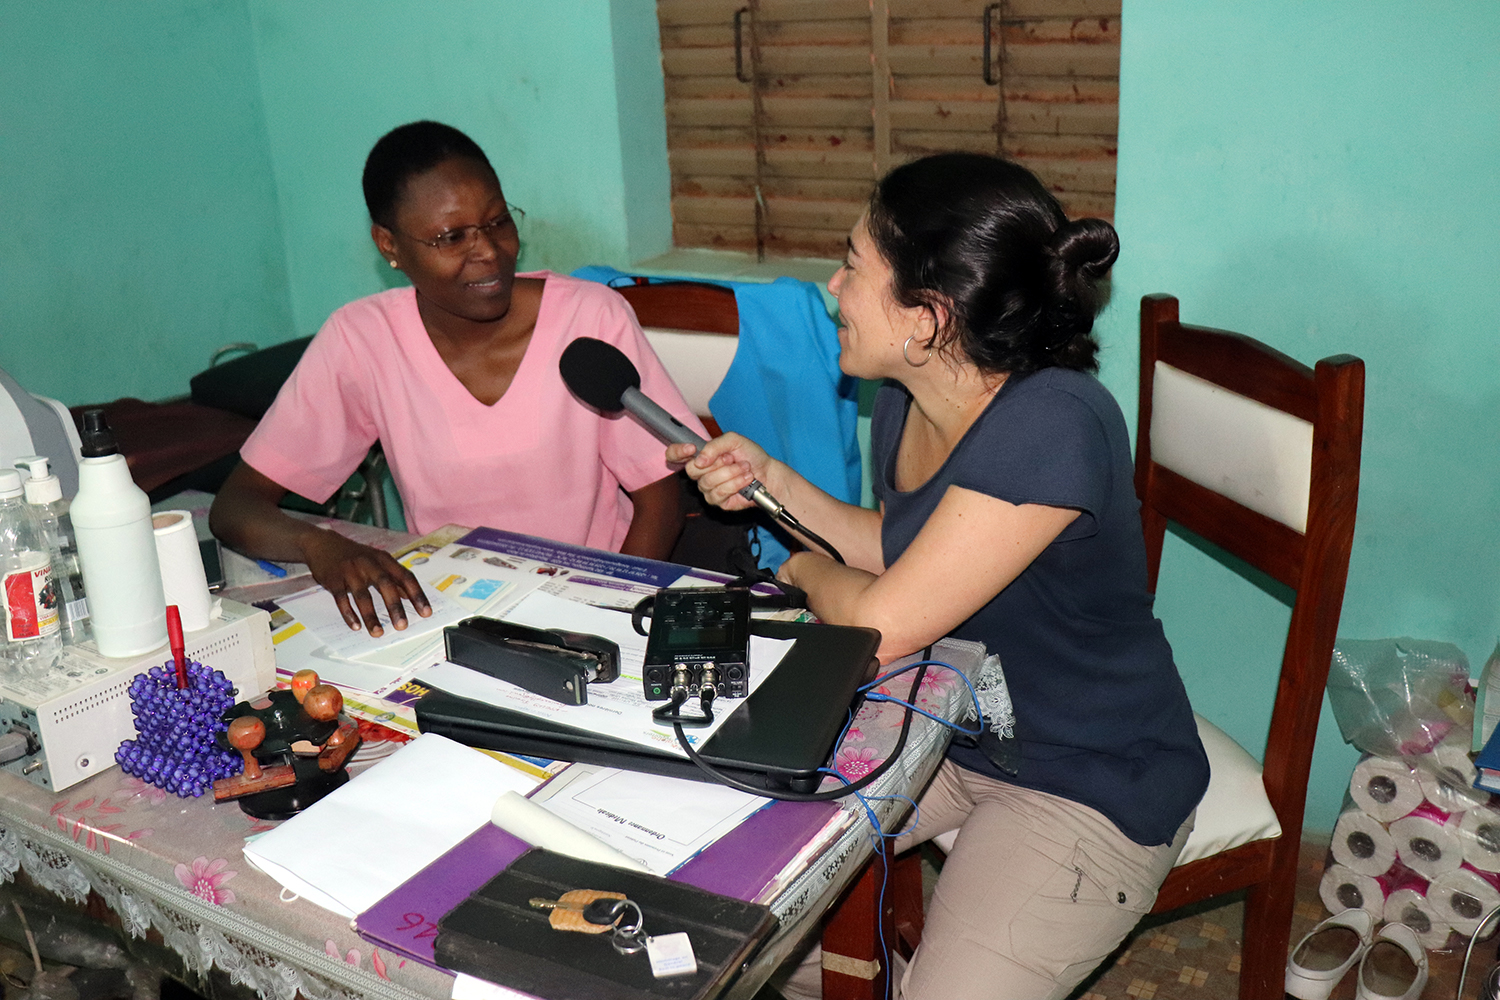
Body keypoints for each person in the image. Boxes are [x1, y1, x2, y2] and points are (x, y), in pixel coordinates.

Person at [670, 153, 1209, 1000]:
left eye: (853, 265)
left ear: (927, 316)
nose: (832, 288)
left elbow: (884, 628)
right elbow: (898, 549)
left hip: (1088, 778)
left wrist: (800, 567)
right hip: (952, 729)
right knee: (735, 908)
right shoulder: (908, 401)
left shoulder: (1053, 424)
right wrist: (768, 478)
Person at [212, 121, 699, 637]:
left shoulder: (590, 319)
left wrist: (600, 618)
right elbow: (235, 505)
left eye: (497, 222)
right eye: (452, 236)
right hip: (456, 617)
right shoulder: (362, 340)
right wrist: (321, 544)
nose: (488, 250)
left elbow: (661, 501)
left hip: (594, 606)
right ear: (389, 245)